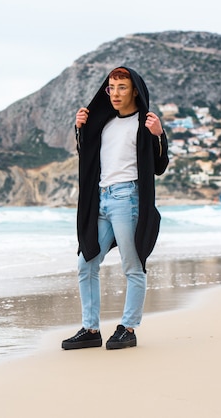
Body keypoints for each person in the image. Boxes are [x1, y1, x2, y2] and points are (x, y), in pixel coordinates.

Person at [62, 67, 169, 350]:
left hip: (127, 198)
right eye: (111, 87)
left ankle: (128, 327)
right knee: (86, 262)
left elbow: (158, 166)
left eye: (122, 87)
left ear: (134, 90)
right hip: (101, 199)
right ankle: (90, 329)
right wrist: (80, 129)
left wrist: (159, 135)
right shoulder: (105, 123)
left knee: (132, 266)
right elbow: (87, 158)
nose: (116, 93)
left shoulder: (143, 124)